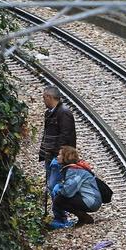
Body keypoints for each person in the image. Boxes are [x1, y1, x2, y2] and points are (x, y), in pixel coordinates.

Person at [39, 86, 76, 215]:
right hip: (50, 155)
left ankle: (61, 216)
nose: (43, 100)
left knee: (54, 185)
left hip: (58, 157)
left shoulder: (63, 112)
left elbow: (65, 136)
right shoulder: (50, 113)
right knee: (51, 186)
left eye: (44, 97)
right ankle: (58, 215)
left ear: (49, 97)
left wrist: (59, 156)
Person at [50, 146, 102, 228]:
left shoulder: (74, 171)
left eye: (60, 155)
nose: (57, 157)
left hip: (91, 201)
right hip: (91, 198)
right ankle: (83, 218)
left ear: (65, 158)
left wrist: (58, 191)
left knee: (58, 200)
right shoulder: (75, 168)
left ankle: (84, 217)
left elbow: (68, 192)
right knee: (60, 196)